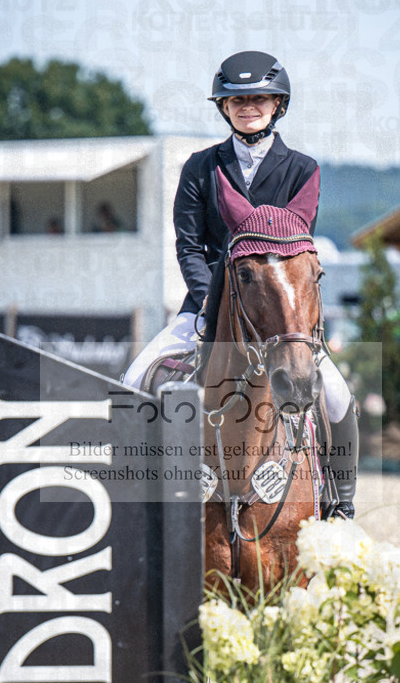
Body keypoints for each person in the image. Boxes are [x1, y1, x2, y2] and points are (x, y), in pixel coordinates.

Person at [123, 50, 357, 517]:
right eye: (237, 101)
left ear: (278, 105)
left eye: (259, 99)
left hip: (282, 315)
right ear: (223, 108)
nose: (248, 107)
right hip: (209, 309)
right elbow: (189, 246)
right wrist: (210, 297)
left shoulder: (302, 170)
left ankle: (339, 502)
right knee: (133, 379)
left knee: (336, 395)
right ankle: (135, 502)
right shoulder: (200, 168)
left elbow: (290, 249)